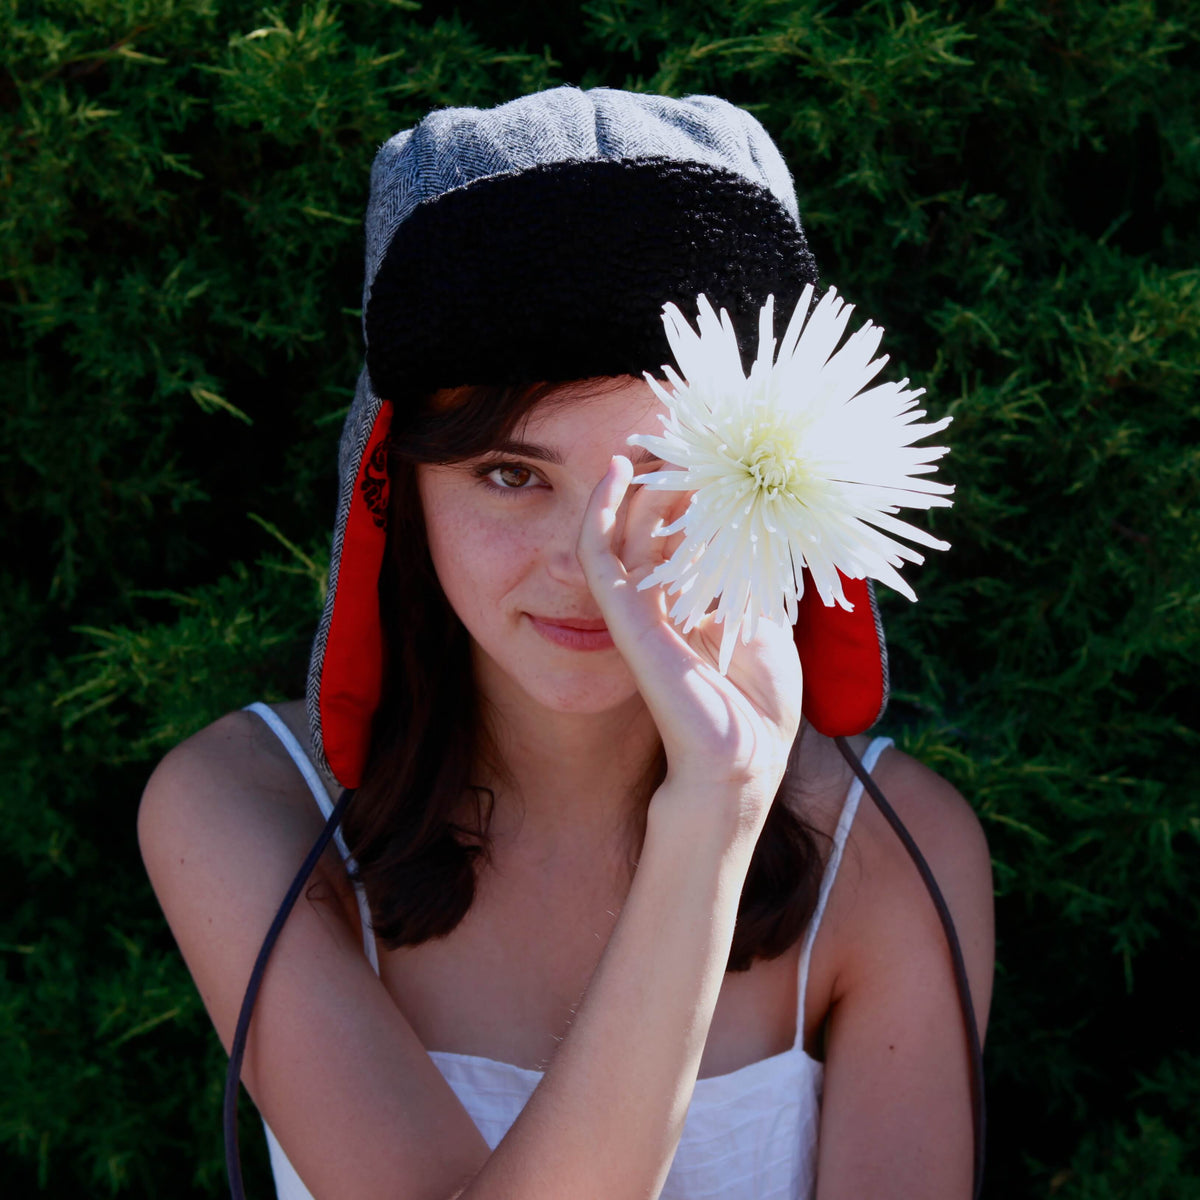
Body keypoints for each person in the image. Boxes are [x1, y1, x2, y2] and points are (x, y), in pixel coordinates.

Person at [138, 86, 994, 1200]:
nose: (593, 559)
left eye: (670, 476)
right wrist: (706, 829)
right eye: (511, 473)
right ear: (393, 487)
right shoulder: (247, 808)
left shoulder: (895, 855)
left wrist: (730, 802)